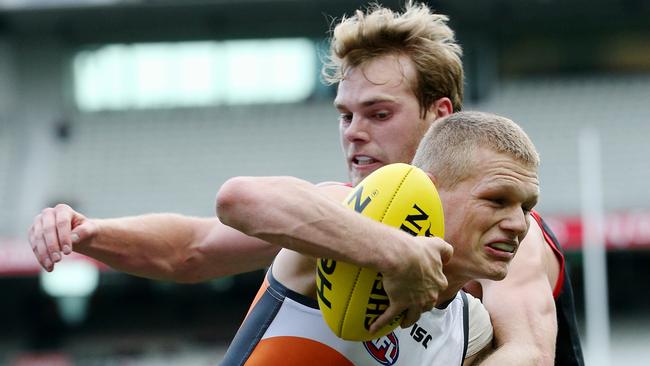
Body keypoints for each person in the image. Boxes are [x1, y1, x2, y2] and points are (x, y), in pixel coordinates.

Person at [26, 2, 583, 365]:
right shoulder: (339, 211)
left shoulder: (511, 235)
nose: (354, 135)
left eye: (378, 114)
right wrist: (90, 232)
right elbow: (199, 243)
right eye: (345, 115)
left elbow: (530, 354)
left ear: (439, 116)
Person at [217, 111, 541, 365]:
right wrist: (399, 253)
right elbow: (237, 199)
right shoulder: (356, 217)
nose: (518, 223)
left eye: (526, 207)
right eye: (497, 200)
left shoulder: (472, 328)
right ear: (432, 188)